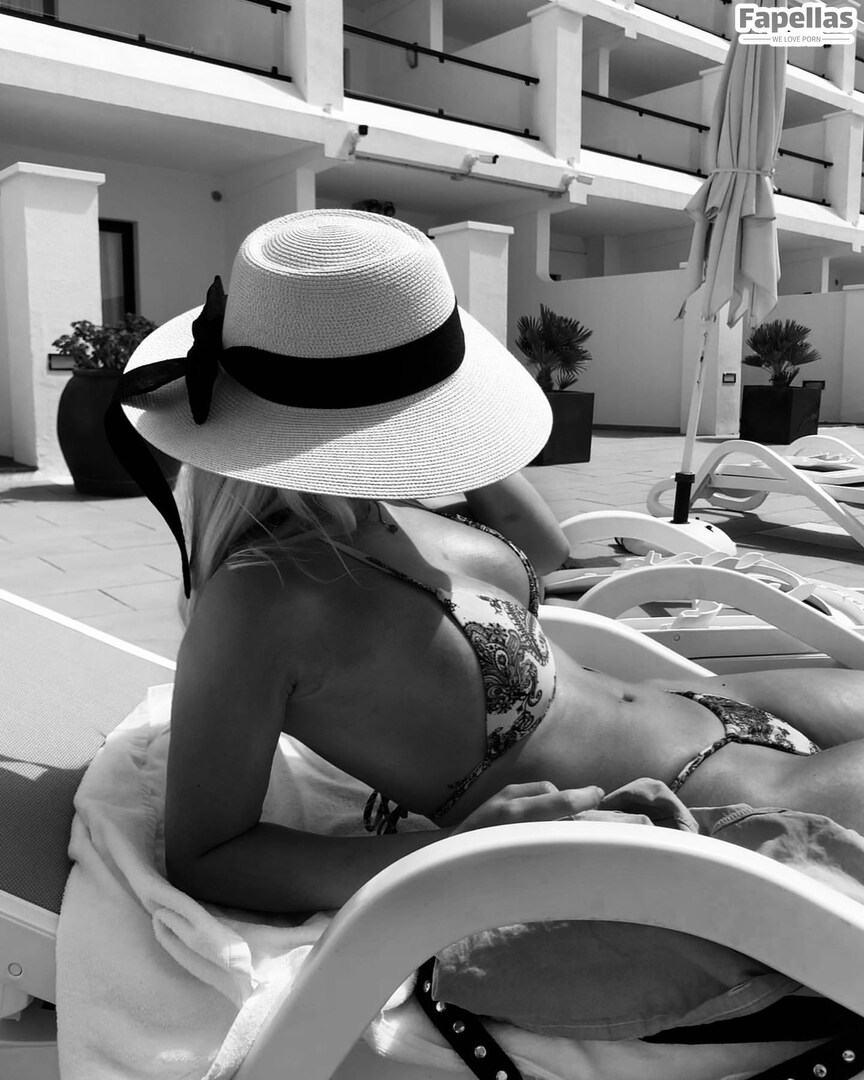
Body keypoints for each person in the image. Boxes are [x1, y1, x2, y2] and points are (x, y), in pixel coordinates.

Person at [109, 209, 864, 918]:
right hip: (696, 799)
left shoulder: (379, 508)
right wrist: (454, 852)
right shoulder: (262, 598)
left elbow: (542, 547)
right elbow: (207, 855)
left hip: (708, 703)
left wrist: (442, 414)